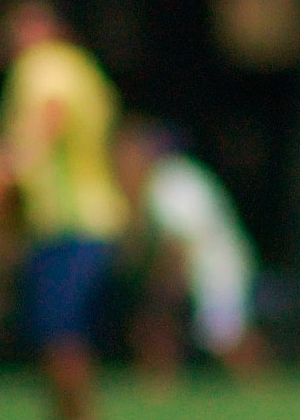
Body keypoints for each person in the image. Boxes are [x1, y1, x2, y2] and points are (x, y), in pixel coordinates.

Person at [0, 0, 128, 420]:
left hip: (71, 221)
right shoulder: (83, 68)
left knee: (60, 331)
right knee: (60, 331)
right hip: (84, 221)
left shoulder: (45, 66)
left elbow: (50, 116)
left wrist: (10, 170)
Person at [113, 121, 271, 384]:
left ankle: (262, 389)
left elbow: (178, 244)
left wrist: (167, 284)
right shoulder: (147, 184)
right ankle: (160, 386)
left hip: (216, 267)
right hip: (197, 267)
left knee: (224, 335)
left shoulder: (173, 182)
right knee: (161, 325)